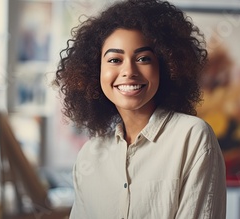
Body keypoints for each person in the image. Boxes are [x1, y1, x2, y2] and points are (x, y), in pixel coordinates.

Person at [53, 0, 226, 218]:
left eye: (143, 58)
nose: (129, 71)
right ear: (95, 72)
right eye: (115, 59)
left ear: (165, 67)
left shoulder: (192, 137)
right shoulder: (89, 155)